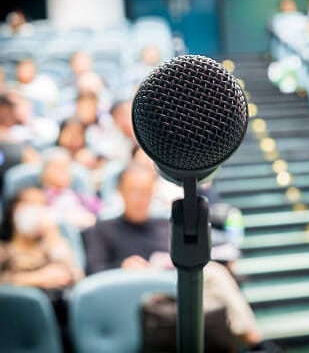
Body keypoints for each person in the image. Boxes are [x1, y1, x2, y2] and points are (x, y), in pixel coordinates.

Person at [83, 165, 271, 351]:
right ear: (120, 191)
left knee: (215, 284)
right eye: (134, 191)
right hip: (140, 297)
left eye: (146, 191)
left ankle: (249, 341)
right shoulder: (102, 229)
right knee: (215, 277)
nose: (140, 198)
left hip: (180, 287)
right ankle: (256, 343)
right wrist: (123, 266)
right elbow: (94, 268)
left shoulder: (164, 224)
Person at [0, 187, 82, 289]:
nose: (37, 211)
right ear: (13, 209)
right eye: (30, 203)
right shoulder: (4, 249)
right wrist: (36, 278)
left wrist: (52, 234)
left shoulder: (49, 247)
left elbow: (77, 275)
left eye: (42, 205)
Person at [41, 149, 100, 229]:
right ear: (45, 172)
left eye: (66, 167)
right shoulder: (40, 196)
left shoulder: (78, 195)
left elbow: (99, 209)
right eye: (57, 167)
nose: (64, 172)